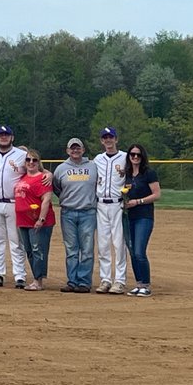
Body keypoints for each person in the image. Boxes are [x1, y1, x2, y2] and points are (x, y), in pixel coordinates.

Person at [0, 124, 28, 289]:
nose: (3, 137)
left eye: (6, 135)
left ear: (12, 137)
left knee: (16, 241)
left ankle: (20, 275)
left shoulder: (22, 155)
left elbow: (37, 169)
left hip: (14, 202)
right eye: (1, 135)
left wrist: (49, 174)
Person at [52, 137, 98, 293]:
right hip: (68, 212)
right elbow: (56, 187)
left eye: (78, 148)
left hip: (88, 212)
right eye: (72, 148)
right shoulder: (61, 168)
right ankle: (72, 281)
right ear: (67, 150)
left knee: (87, 249)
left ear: (83, 150)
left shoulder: (93, 166)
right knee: (71, 249)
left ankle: (84, 282)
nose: (75, 150)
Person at [93, 126, 129, 295]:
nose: (108, 140)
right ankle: (105, 279)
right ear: (102, 141)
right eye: (105, 138)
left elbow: (132, 178)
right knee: (103, 244)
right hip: (100, 205)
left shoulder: (125, 158)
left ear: (116, 139)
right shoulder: (97, 159)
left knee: (119, 243)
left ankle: (120, 280)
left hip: (117, 204)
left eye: (111, 137)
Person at [122, 144, 160, 297]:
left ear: (143, 156)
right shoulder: (128, 175)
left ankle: (146, 284)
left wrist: (138, 201)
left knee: (139, 251)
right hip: (129, 216)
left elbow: (157, 194)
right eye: (132, 154)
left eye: (138, 155)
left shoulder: (148, 173)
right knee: (132, 251)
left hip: (144, 216)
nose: (135, 157)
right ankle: (139, 284)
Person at [14, 148, 55, 291]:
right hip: (23, 220)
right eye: (28, 160)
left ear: (39, 162)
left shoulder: (43, 178)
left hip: (38, 221)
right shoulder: (22, 177)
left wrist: (41, 219)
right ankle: (35, 279)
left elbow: (46, 199)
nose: (31, 162)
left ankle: (38, 281)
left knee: (38, 250)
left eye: (34, 160)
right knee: (30, 250)